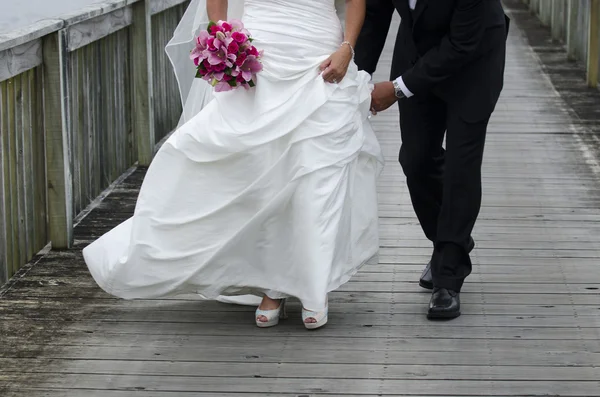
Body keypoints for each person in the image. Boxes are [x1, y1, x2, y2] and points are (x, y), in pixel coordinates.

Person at [82, 0, 383, 330]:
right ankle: (274, 287)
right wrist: (222, 37)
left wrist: (347, 47)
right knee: (262, 176)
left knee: (318, 174)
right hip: (262, 57)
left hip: (318, 56)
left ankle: (312, 287)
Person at [364, 0, 509, 319]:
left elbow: (461, 44)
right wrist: (357, 78)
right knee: (415, 161)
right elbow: (375, 14)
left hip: (475, 58)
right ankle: (450, 242)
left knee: (462, 165)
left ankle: (448, 277)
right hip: (416, 50)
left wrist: (397, 89)